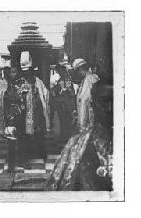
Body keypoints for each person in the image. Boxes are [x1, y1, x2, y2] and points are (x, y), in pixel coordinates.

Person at [46, 58, 112, 191]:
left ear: (82, 69)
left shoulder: (90, 80)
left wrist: (83, 122)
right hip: (82, 121)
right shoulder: (84, 81)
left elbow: (87, 103)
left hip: (90, 123)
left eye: (77, 71)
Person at [3, 51, 50, 170]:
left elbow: (41, 98)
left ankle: (25, 158)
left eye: (29, 71)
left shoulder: (37, 81)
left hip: (31, 115)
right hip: (19, 116)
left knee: (28, 137)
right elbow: (10, 99)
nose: (27, 73)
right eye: (25, 71)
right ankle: (19, 161)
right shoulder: (16, 83)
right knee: (19, 139)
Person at [51, 64, 76, 142]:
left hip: (65, 104)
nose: (58, 73)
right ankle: (65, 137)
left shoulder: (66, 79)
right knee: (63, 121)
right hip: (62, 103)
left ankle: (66, 138)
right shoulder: (64, 79)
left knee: (66, 121)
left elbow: (69, 91)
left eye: (58, 71)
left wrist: (61, 90)